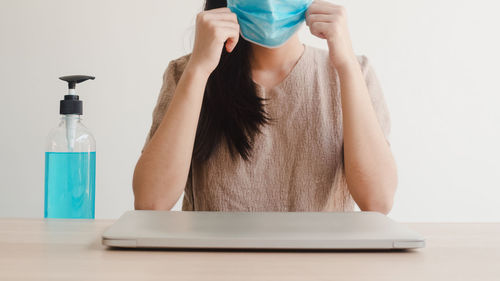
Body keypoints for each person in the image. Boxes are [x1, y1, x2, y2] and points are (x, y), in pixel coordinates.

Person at [132, 0, 397, 214]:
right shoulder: (187, 73)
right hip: (213, 269)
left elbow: (377, 202)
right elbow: (151, 203)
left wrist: (346, 66)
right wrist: (199, 70)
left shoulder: (354, 73)